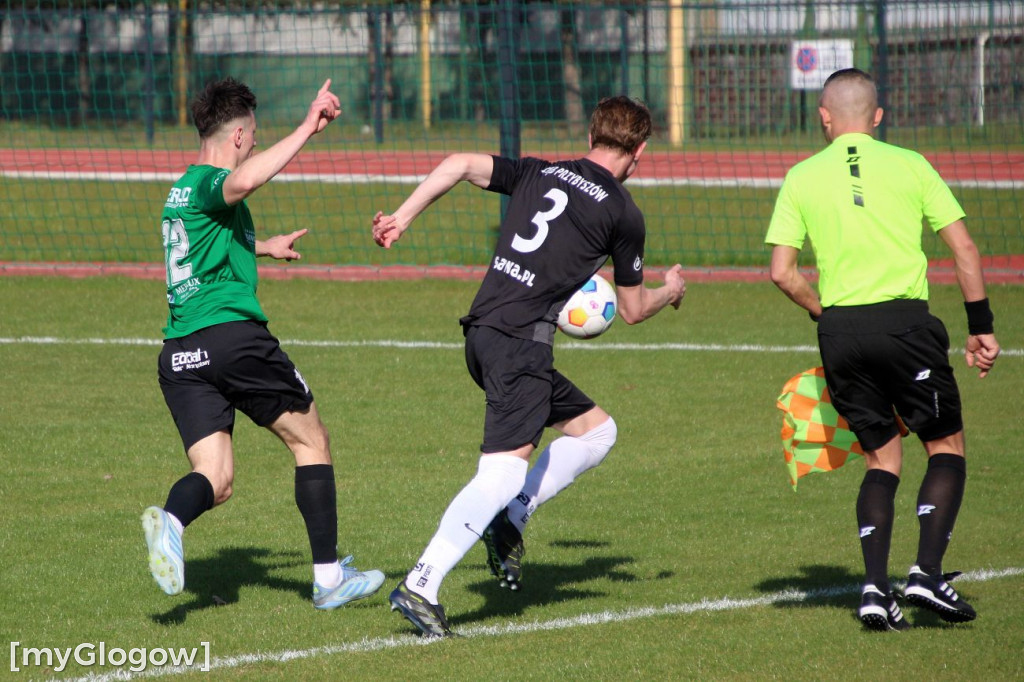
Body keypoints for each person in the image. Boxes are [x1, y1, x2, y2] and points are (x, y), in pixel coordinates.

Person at [372, 96, 687, 637]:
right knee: (500, 474)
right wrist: (670, 290)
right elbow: (633, 311)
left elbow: (458, 163)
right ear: (639, 149)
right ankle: (421, 584)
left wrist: (402, 215)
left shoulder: (541, 172)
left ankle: (513, 517)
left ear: (592, 135)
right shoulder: (622, 212)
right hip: (520, 346)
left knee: (597, 431)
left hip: (485, 332)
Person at [765, 68, 1000, 632]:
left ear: (824, 117)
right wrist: (980, 326)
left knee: (881, 457)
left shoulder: (801, 175)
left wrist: (828, 315)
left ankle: (874, 589)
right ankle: (927, 573)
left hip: (841, 332)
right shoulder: (912, 164)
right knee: (945, 445)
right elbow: (963, 247)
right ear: (877, 117)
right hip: (906, 328)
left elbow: (782, 273)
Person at [143, 77, 385, 610]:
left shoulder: (179, 190)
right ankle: (328, 581)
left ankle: (172, 524)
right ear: (235, 136)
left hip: (181, 356)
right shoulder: (212, 180)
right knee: (310, 440)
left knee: (216, 478)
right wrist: (307, 127)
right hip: (233, 340)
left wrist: (263, 246)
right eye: (251, 136)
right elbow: (242, 184)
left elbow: (212, 238)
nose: (253, 144)